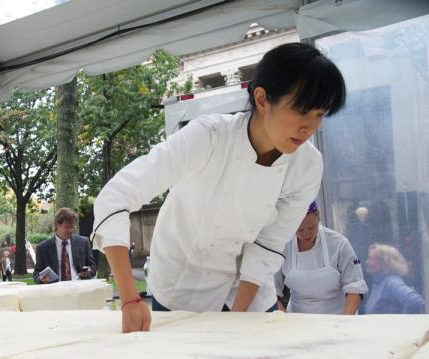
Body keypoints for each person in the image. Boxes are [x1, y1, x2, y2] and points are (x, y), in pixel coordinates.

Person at [91, 42, 346, 332]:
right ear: (262, 99)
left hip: (250, 293)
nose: (309, 127)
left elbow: (269, 243)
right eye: (301, 111)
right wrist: (128, 299)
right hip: (182, 287)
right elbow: (116, 196)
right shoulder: (209, 137)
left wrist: (236, 320)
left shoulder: (308, 165)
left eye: (319, 114)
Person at [275, 201, 367, 314]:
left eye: (311, 227)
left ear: (319, 218)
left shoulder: (338, 243)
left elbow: (354, 287)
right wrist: (283, 319)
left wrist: (345, 322)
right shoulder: (283, 247)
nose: (306, 233)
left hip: (337, 317)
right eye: (300, 230)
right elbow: (272, 291)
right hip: (298, 321)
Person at [33, 208, 96, 284]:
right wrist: (40, 279)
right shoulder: (43, 247)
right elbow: (36, 273)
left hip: (79, 287)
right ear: (57, 225)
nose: (70, 230)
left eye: (72, 227)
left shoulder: (83, 242)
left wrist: (88, 272)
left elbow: (93, 267)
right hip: (55, 289)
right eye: (67, 227)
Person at [363, 244, 425, 314]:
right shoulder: (378, 284)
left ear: (385, 262)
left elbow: (415, 301)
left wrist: (405, 322)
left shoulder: (391, 282)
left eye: (371, 259)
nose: (366, 262)